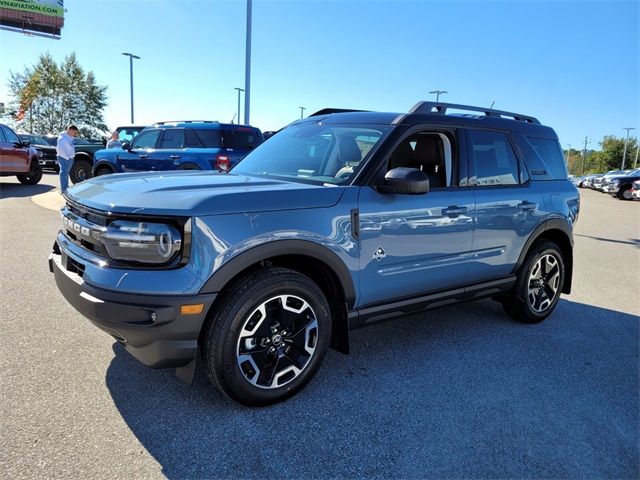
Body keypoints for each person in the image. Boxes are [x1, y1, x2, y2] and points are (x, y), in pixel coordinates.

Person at [56, 125, 78, 194]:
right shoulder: (62, 138)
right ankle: (64, 189)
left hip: (69, 158)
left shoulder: (69, 137)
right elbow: (61, 150)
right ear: (71, 130)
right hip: (65, 158)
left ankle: (65, 187)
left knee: (66, 173)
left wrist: (71, 157)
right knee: (64, 173)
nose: (75, 134)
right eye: (75, 132)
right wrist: (67, 158)